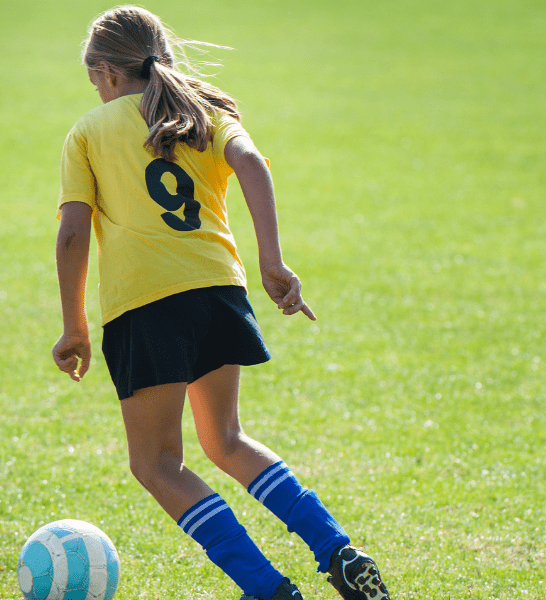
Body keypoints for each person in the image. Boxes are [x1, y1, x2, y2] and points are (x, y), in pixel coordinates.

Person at [51, 6, 391, 600]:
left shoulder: (88, 131)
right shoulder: (203, 112)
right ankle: (339, 552)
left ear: (105, 73)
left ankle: (268, 590)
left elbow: (73, 233)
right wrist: (272, 262)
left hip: (146, 304)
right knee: (226, 440)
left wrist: (73, 326)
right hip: (217, 290)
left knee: (157, 465)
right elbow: (253, 164)